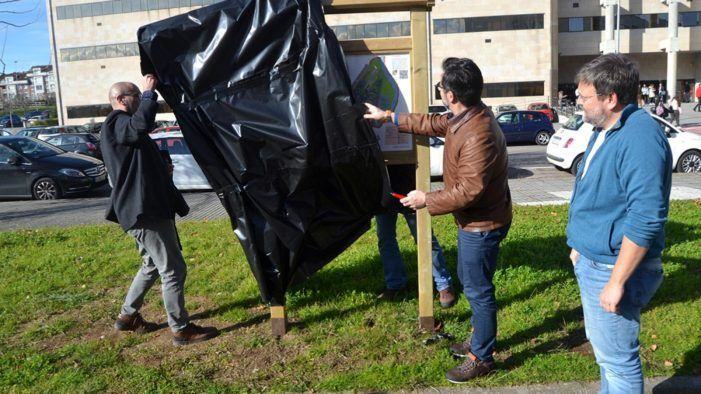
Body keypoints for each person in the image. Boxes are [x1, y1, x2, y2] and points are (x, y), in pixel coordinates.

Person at [365, 57, 512, 383]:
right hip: (476, 222)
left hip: (482, 225)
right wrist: (389, 116)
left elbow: (469, 190)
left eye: (441, 88)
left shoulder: (478, 134)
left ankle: (481, 357)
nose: (441, 93)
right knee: (471, 281)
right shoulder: (466, 116)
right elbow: (433, 123)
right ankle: (478, 342)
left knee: (478, 291)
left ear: (452, 95)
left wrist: (425, 200)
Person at [569, 54, 672, 393]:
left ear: (610, 98)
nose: (578, 103)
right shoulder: (606, 129)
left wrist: (617, 281)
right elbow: (596, 193)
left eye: (584, 97)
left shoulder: (639, 138)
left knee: (619, 362)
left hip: (613, 267)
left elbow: (645, 219)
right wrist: (579, 244)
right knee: (607, 357)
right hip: (595, 259)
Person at [101, 75, 219, 346]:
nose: (139, 98)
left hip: (140, 210)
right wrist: (149, 93)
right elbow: (140, 124)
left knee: (151, 265)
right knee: (173, 269)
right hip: (145, 212)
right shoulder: (116, 122)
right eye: (134, 95)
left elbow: (136, 154)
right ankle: (180, 329)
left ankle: (127, 317)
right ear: (120, 99)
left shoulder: (122, 128)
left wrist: (160, 170)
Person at [375, 165, 456, 307]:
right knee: (385, 238)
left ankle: (444, 285)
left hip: (409, 183)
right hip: (383, 187)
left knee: (424, 236)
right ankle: (395, 284)